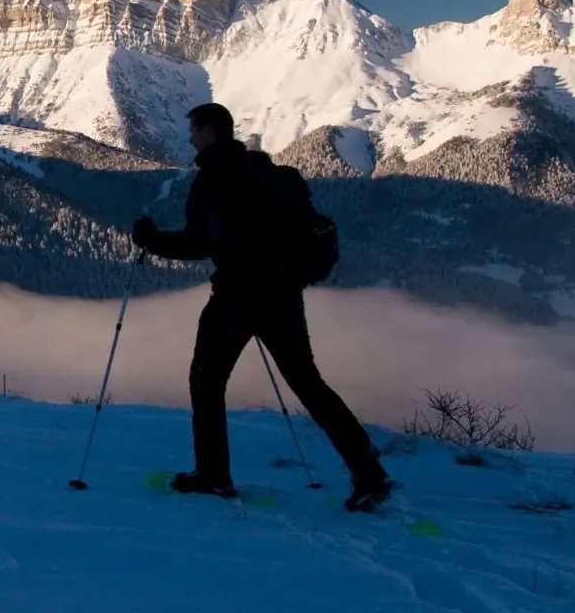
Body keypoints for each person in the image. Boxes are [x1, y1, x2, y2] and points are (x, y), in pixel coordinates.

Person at [131, 102, 395, 513]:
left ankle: (213, 475)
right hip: (284, 296)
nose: (189, 139)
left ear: (208, 133)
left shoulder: (213, 181)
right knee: (309, 385)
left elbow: (200, 243)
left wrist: (152, 239)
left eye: (194, 131)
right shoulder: (272, 175)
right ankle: (367, 470)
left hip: (236, 297)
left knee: (207, 381)